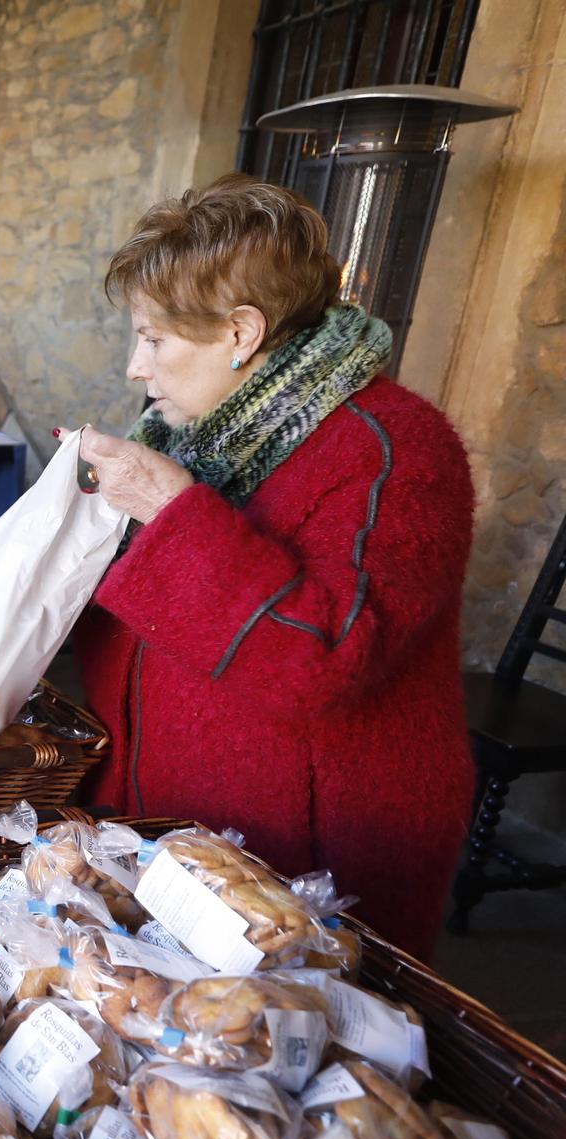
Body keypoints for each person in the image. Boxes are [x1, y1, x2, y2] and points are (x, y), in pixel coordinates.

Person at [69, 174, 475, 960]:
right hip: (173, 832)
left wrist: (173, 512)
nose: (134, 369)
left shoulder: (395, 449)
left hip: (311, 861)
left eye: (153, 339)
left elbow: (322, 657)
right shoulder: (196, 434)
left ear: (241, 333)